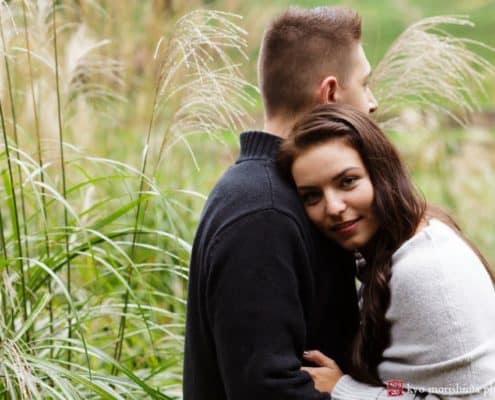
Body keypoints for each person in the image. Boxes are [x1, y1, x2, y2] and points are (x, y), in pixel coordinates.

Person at [183, 6, 378, 400]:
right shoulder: (263, 213)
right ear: (330, 93)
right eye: (365, 84)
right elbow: (266, 389)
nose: (372, 103)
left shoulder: (285, 195)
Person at [277, 103, 495, 399]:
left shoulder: (427, 268)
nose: (333, 207)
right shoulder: (399, 244)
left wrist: (344, 389)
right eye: (312, 196)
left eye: (348, 181)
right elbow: (408, 388)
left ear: (382, 173)